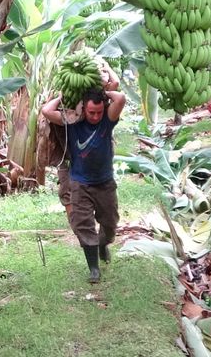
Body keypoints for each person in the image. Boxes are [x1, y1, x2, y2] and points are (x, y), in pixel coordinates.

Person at [41, 85, 125, 284]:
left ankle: (103, 244)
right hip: (80, 183)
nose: (95, 116)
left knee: (110, 223)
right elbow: (46, 111)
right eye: (91, 112)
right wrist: (61, 96)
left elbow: (120, 98)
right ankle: (94, 269)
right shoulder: (73, 122)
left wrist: (104, 93)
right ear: (82, 109)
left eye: (98, 112)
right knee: (83, 224)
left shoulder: (107, 121)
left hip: (105, 183)